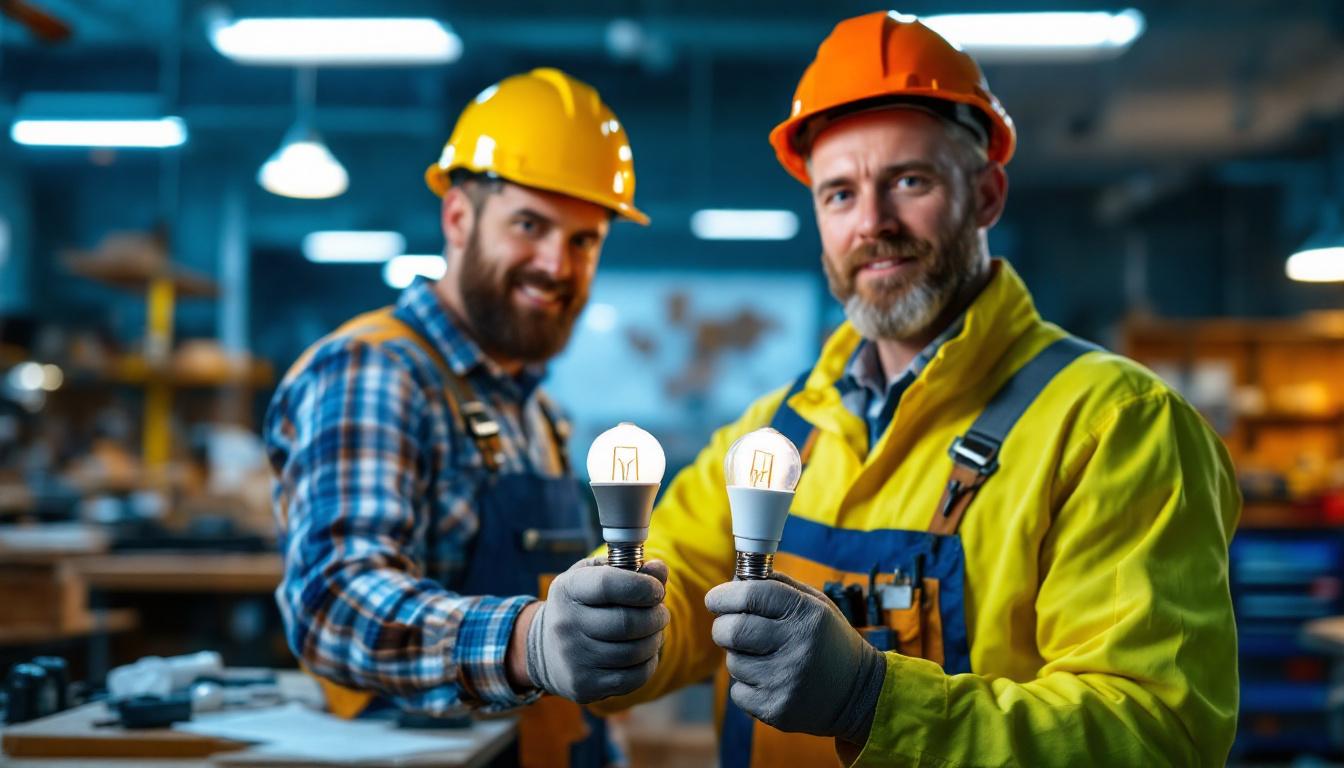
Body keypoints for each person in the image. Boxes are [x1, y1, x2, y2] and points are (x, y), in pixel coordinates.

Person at [589, 12, 1240, 767]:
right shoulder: (779, 432)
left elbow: (1155, 737)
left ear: (987, 195)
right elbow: (681, 582)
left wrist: (874, 701)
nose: (873, 223)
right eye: (838, 194)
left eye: (909, 180)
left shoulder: (1117, 427)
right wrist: (610, 632)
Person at [265, 68, 670, 768]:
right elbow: (334, 602)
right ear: (458, 219)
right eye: (530, 225)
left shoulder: (539, 411)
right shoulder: (376, 370)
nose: (555, 264)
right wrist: (527, 642)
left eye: (584, 240)